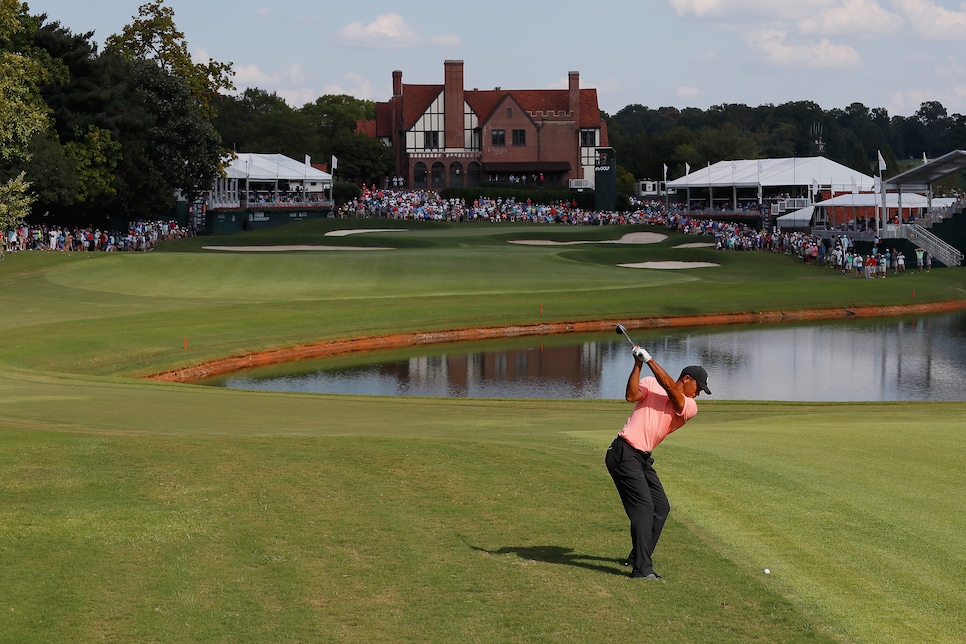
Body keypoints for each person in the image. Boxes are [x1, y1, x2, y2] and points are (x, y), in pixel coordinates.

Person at [605, 343, 711, 579]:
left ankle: (637, 556)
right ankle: (642, 569)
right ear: (687, 378)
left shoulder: (689, 406)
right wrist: (638, 365)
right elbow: (631, 395)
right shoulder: (652, 385)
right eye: (699, 387)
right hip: (623, 452)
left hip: (641, 457)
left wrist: (650, 359)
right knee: (644, 508)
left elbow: (672, 392)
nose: (699, 392)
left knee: (660, 507)